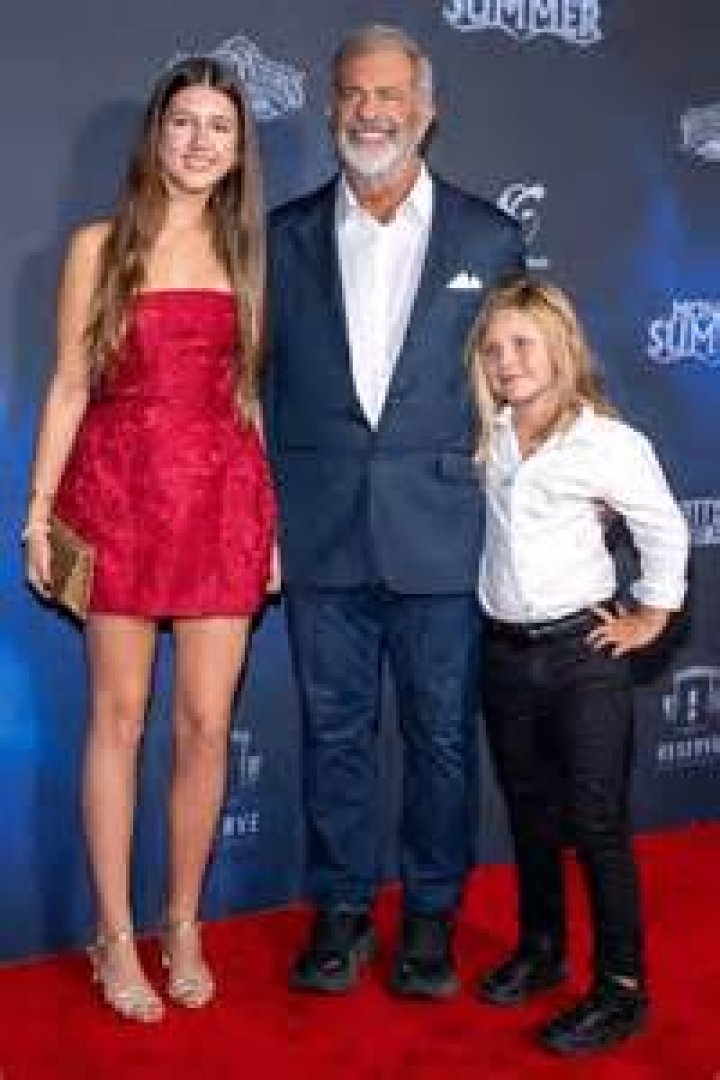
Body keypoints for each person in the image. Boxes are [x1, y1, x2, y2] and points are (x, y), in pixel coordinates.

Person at [264, 24, 525, 999]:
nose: (370, 112)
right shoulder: (280, 236)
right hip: (321, 530)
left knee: (442, 738)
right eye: (353, 94)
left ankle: (429, 920)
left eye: (389, 95)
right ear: (331, 106)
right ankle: (340, 913)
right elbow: (255, 388)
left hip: (443, 534)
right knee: (333, 733)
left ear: (426, 109)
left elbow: (523, 382)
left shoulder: (488, 236)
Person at [23, 56, 276, 1022]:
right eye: (184, 122)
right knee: (118, 720)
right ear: (157, 134)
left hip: (222, 503)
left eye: (220, 126)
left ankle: (183, 921)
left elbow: (248, 397)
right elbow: (68, 386)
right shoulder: (99, 246)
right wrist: (39, 513)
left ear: (239, 149)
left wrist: (268, 521)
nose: (200, 141)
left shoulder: (247, 254)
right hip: (119, 497)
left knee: (207, 724)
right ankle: (114, 933)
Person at [467, 277, 689, 1053]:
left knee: (596, 821)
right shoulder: (493, 435)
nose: (506, 360)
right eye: (492, 349)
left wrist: (651, 615)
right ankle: (542, 949)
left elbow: (664, 528)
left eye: (522, 343)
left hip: (581, 658)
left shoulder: (607, 442)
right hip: (503, 652)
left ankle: (622, 988)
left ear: (562, 346)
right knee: (530, 813)